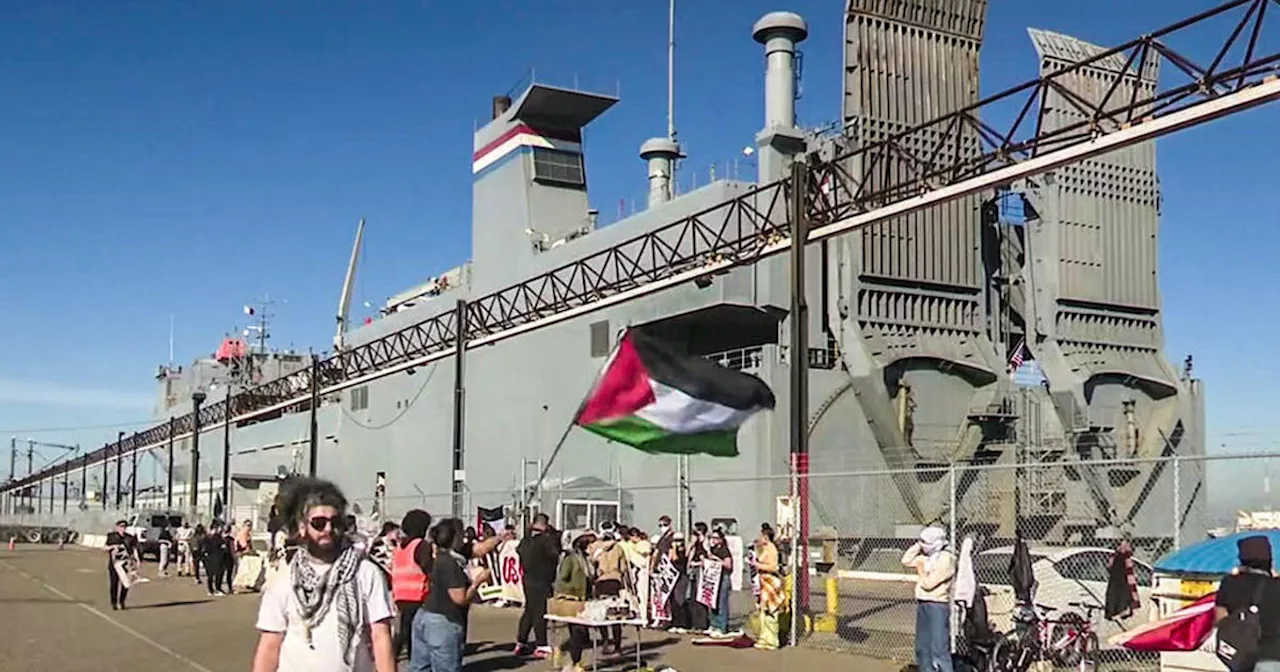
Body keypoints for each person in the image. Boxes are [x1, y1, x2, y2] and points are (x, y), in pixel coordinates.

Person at [251, 477, 396, 672]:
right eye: (318, 523)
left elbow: (381, 636)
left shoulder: (366, 573)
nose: (328, 529)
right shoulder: (284, 581)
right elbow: (270, 644)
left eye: (335, 522)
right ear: (303, 527)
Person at [410, 518, 490, 672]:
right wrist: (478, 581)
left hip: (425, 615)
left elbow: (480, 549)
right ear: (454, 538)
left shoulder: (435, 557)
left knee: (420, 667)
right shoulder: (450, 564)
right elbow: (460, 598)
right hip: (442, 621)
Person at [1214, 535, 1280, 671]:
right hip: (1273, 656)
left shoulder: (1229, 583)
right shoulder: (1276, 585)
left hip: (1241, 657)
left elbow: (1220, 619)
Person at [902, 526, 956, 672]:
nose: (923, 546)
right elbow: (906, 560)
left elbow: (928, 584)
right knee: (922, 647)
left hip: (937, 605)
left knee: (939, 648)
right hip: (923, 603)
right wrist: (918, 545)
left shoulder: (946, 559)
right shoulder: (926, 557)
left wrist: (921, 571)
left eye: (926, 542)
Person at [515, 513, 561, 658]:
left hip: (528, 578)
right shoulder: (544, 540)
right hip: (541, 579)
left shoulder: (526, 539)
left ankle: (521, 641)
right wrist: (552, 536)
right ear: (545, 524)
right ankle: (541, 645)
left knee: (529, 610)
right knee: (540, 612)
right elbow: (554, 553)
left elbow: (519, 550)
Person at [392, 509, 433, 661]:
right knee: (415, 637)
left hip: (401, 595)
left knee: (405, 630)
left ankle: (395, 655)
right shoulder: (421, 545)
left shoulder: (401, 547)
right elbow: (428, 568)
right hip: (418, 596)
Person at [556, 530, 595, 672]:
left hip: (583, 598)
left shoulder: (584, 557)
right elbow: (563, 577)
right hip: (572, 600)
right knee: (577, 632)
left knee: (580, 633)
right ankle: (574, 662)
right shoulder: (570, 558)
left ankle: (571, 657)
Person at [590, 525, 627, 655]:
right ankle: (617, 647)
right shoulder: (619, 548)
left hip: (600, 581)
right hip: (615, 581)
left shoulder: (595, 547)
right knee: (615, 614)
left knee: (602, 613)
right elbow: (623, 568)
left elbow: (590, 564)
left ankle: (605, 642)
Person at [749, 523, 783, 650]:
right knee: (763, 610)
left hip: (771, 581)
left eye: (761, 536)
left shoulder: (772, 548)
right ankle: (764, 638)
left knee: (771, 610)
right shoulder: (764, 548)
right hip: (763, 581)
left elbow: (774, 567)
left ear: (765, 536)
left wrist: (758, 566)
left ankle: (773, 640)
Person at [105, 519, 140, 610]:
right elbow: (104, 547)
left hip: (126, 565)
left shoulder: (129, 538)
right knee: (114, 584)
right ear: (117, 527)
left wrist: (137, 559)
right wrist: (112, 547)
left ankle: (122, 601)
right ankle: (114, 602)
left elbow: (134, 549)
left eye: (124, 527)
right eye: (121, 527)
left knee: (126, 584)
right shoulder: (111, 536)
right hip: (114, 564)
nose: (123, 529)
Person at [707, 528, 734, 637]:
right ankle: (714, 625)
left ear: (721, 539)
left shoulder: (724, 550)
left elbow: (728, 565)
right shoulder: (712, 549)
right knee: (713, 602)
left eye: (716, 538)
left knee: (722, 603)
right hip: (714, 579)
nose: (713, 540)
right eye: (712, 538)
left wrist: (716, 559)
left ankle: (722, 627)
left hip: (724, 578)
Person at [686, 522, 711, 633]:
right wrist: (691, 544)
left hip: (701, 571)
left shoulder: (705, 543)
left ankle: (702, 623)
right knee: (693, 598)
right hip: (693, 571)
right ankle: (694, 623)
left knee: (701, 598)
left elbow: (707, 558)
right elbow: (687, 555)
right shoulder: (694, 545)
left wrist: (696, 563)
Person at [202, 522, 229, 596]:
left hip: (209, 558)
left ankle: (211, 590)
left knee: (210, 575)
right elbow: (223, 546)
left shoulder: (206, 537)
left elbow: (204, 547)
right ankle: (218, 589)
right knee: (218, 574)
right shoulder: (218, 537)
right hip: (217, 557)